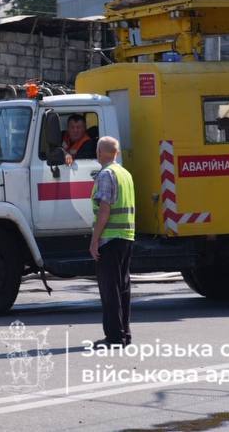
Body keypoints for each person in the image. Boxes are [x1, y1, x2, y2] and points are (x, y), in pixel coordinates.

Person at [89, 136, 135, 346]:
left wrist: (94, 240)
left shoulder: (106, 175)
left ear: (100, 153)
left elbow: (104, 210)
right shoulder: (125, 174)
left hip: (110, 239)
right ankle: (124, 333)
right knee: (123, 288)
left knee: (110, 290)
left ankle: (114, 336)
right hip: (126, 237)